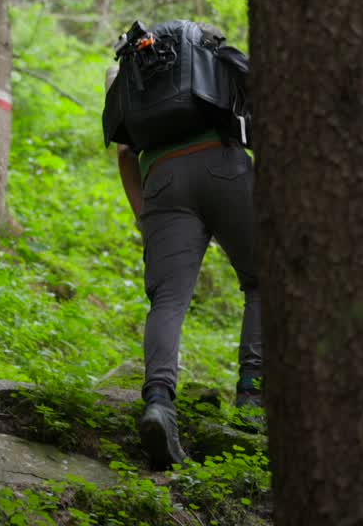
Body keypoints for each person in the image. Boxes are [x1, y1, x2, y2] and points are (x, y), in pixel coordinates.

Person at [105, 25, 263, 470]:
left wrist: (145, 218)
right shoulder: (214, 60)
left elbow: (123, 155)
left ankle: (158, 402)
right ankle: (252, 399)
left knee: (168, 300)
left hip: (163, 181)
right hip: (226, 167)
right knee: (263, 280)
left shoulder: (133, 78)